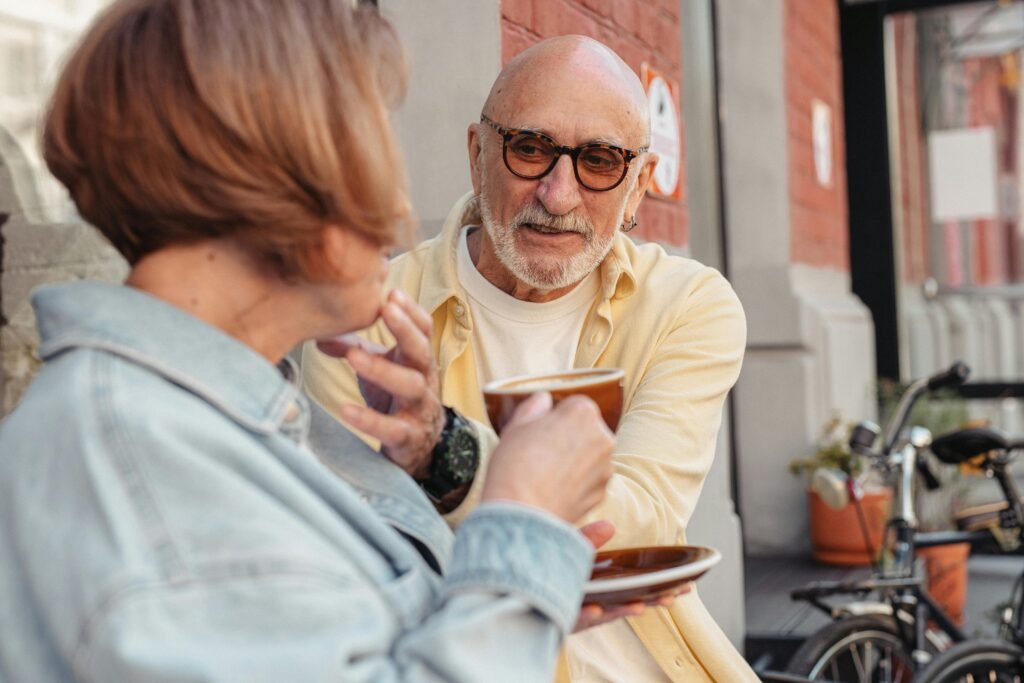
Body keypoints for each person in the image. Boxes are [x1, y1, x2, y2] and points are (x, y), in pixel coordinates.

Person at [0, 3, 631, 681]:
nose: (397, 204)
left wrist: (515, 599)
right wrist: (522, 530)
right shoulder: (131, 465)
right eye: (369, 144)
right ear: (265, 173)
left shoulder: (205, 419)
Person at [303, 35, 758, 683]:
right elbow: (351, 560)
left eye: (599, 161)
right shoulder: (367, 318)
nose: (559, 193)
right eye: (530, 148)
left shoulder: (690, 304)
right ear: (476, 154)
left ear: (636, 190)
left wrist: (446, 456)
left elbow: (640, 516)